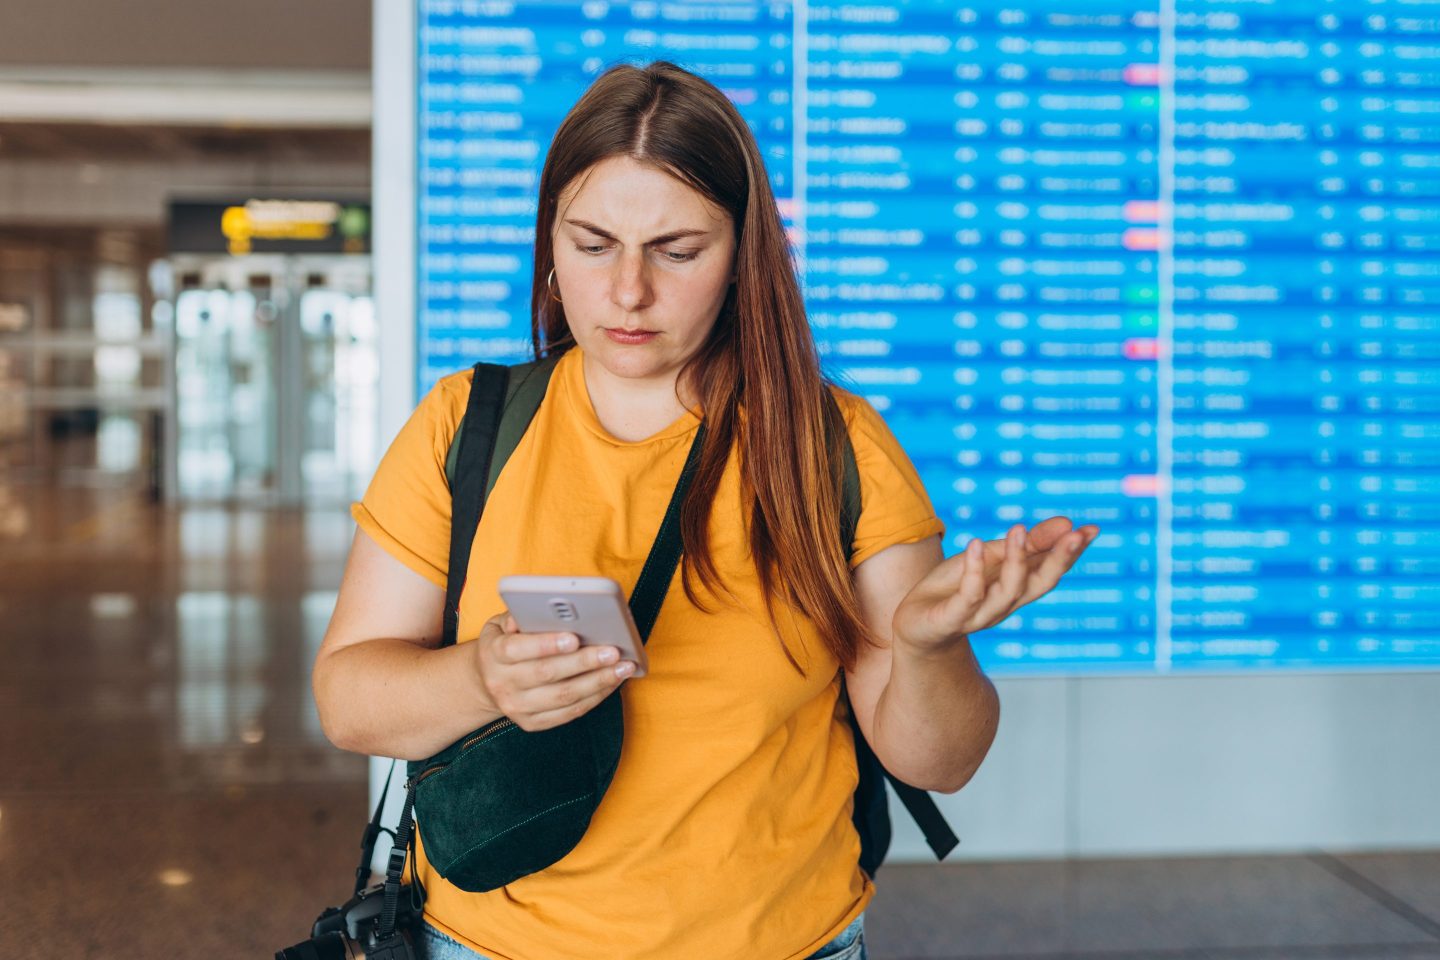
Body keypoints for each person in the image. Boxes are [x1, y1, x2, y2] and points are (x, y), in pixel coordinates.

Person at [313, 60, 1096, 960]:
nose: (628, 291)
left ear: (743, 254)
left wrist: (926, 646)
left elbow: (942, 761)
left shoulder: (833, 445)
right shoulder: (467, 424)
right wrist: (481, 681)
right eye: (592, 244)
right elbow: (348, 698)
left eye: (678, 250)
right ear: (549, 243)